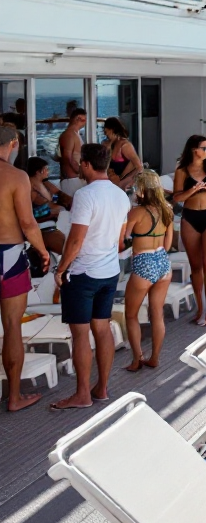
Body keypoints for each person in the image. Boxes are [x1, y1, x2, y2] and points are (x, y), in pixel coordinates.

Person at [51, 143, 131, 410]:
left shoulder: (85, 195)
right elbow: (120, 241)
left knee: (81, 334)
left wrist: (61, 269)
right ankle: (102, 388)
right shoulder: (120, 195)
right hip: (109, 271)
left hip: (83, 272)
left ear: (86, 164)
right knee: (102, 328)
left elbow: (76, 241)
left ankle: (82, 394)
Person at [0, 126, 49, 411]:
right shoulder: (17, 176)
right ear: (13, 144)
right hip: (9, 255)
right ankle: (15, 397)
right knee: (11, 326)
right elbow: (28, 223)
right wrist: (42, 250)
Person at [121, 171, 174, 371]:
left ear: (141, 189)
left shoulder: (136, 213)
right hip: (163, 262)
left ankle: (137, 360)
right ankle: (155, 358)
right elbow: (167, 245)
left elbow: (123, 240)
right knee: (157, 314)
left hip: (143, 262)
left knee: (131, 315)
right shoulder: (167, 210)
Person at [172, 134, 206, 325]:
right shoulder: (182, 171)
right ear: (194, 150)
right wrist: (192, 190)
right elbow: (177, 197)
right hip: (190, 216)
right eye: (204, 148)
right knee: (196, 266)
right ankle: (200, 308)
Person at [27, 157, 67, 254]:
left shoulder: (39, 183)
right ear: (38, 172)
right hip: (41, 223)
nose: (48, 172)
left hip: (46, 219)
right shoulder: (33, 185)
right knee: (66, 249)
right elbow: (48, 199)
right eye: (46, 169)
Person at [102, 117, 142, 190]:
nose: (105, 134)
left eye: (106, 131)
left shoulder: (125, 145)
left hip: (123, 184)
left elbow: (139, 167)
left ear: (112, 130)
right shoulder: (106, 144)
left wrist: (122, 181)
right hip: (111, 184)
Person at [58, 107, 87, 183]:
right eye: (85, 119)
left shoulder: (75, 134)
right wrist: (80, 171)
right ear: (78, 118)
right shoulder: (69, 135)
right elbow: (68, 157)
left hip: (76, 178)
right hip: (71, 179)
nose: (86, 122)